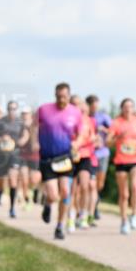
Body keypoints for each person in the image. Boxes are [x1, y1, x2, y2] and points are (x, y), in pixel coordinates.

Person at [38, 83, 84, 240]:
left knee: (65, 191)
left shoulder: (76, 112)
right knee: (53, 194)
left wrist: (76, 144)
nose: (61, 99)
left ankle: (59, 226)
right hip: (47, 157)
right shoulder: (44, 110)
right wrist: (33, 141)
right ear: (54, 95)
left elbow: (81, 134)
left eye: (64, 97)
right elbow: (33, 127)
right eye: (58, 96)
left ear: (69, 96)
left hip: (65, 157)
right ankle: (48, 203)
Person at [107, 98, 136, 235]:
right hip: (121, 161)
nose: (128, 109)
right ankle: (124, 221)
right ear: (121, 108)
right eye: (125, 106)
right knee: (124, 194)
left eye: (131, 106)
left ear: (134, 108)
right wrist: (118, 138)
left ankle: (134, 215)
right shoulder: (116, 123)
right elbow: (108, 142)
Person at [0, 100, 25, 218]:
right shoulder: (0, 122)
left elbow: (26, 134)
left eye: (14, 109)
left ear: (17, 110)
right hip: (1, 154)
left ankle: (12, 207)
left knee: (12, 179)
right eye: (10, 108)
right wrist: (0, 139)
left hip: (15, 154)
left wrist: (21, 141)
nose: (12, 111)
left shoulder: (20, 122)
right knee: (1, 179)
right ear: (7, 109)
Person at [69, 95, 98, 231]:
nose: (76, 107)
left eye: (78, 104)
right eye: (73, 104)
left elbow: (93, 137)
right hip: (70, 155)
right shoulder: (66, 118)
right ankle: (71, 215)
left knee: (85, 186)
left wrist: (90, 141)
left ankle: (83, 216)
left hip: (85, 155)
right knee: (72, 189)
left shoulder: (88, 120)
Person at [87, 95, 112, 221]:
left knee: (99, 183)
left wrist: (104, 130)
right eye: (92, 105)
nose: (95, 108)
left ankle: (95, 203)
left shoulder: (103, 117)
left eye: (96, 105)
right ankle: (92, 209)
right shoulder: (85, 117)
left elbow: (113, 131)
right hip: (89, 154)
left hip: (103, 153)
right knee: (90, 183)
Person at [18, 107, 40, 210]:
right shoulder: (19, 126)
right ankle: (27, 200)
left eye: (26, 113)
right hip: (23, 155)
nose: (24, 115)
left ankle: (33, 192)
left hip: (34, 155)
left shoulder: (36, 126)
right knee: (24, 178)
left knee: (33, 179)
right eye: (23, 113)